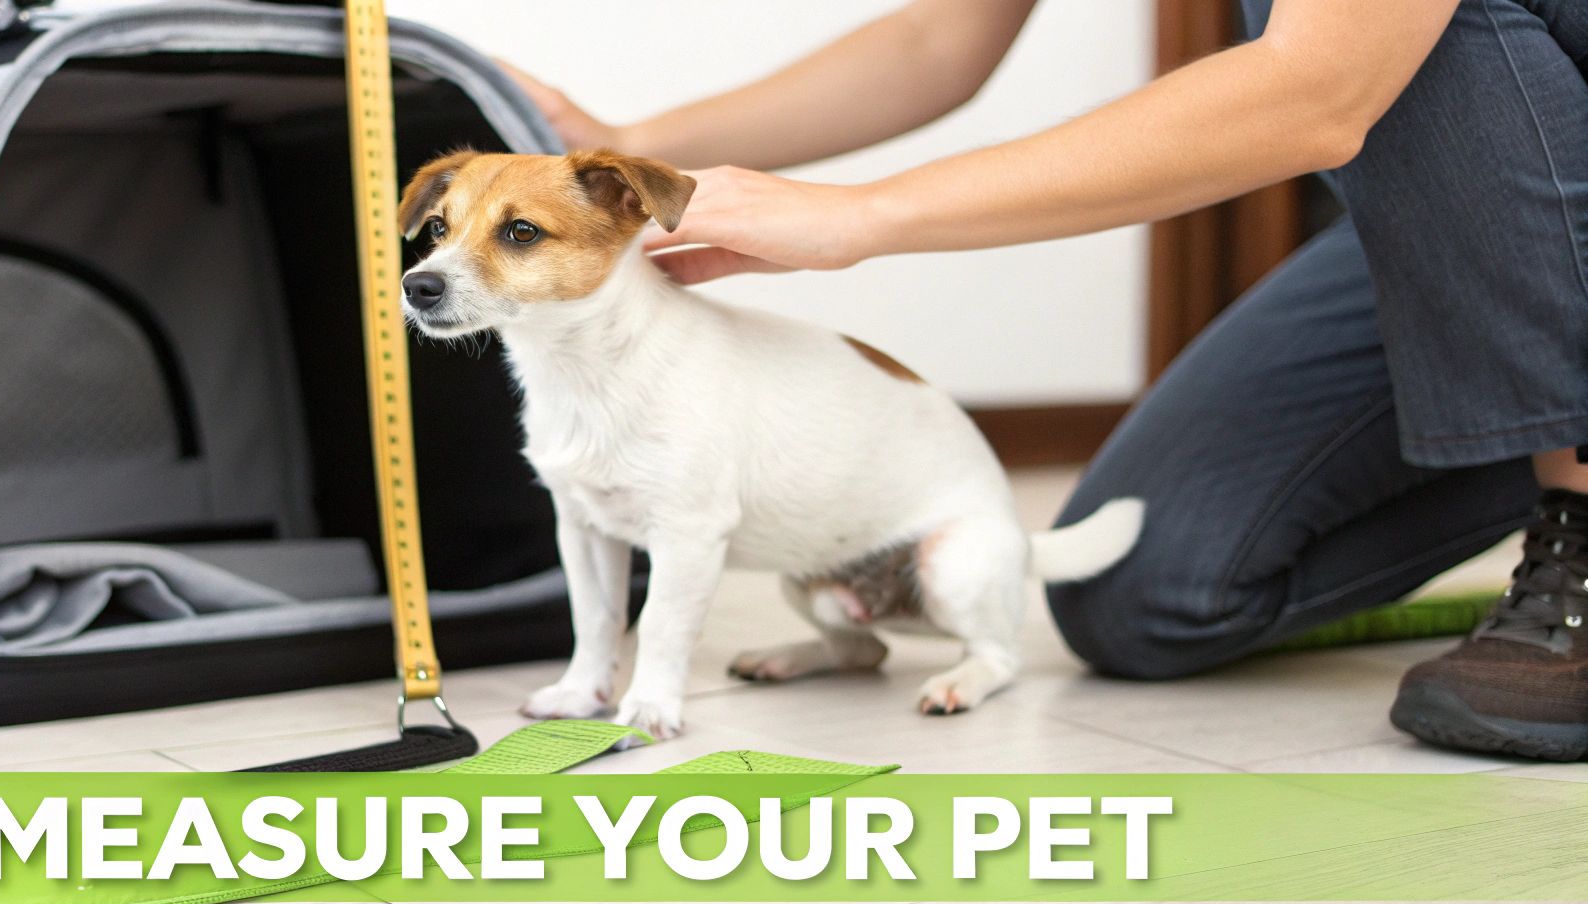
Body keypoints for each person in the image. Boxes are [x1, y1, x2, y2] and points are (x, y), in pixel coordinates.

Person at [499, 0, 1588, 761]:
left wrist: (861, 216)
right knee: (1146, 599)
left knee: (1415, 33)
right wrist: (625, 146)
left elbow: (1322, 86)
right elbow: (939, 37)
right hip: (1480, 218)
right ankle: (1530, 389)